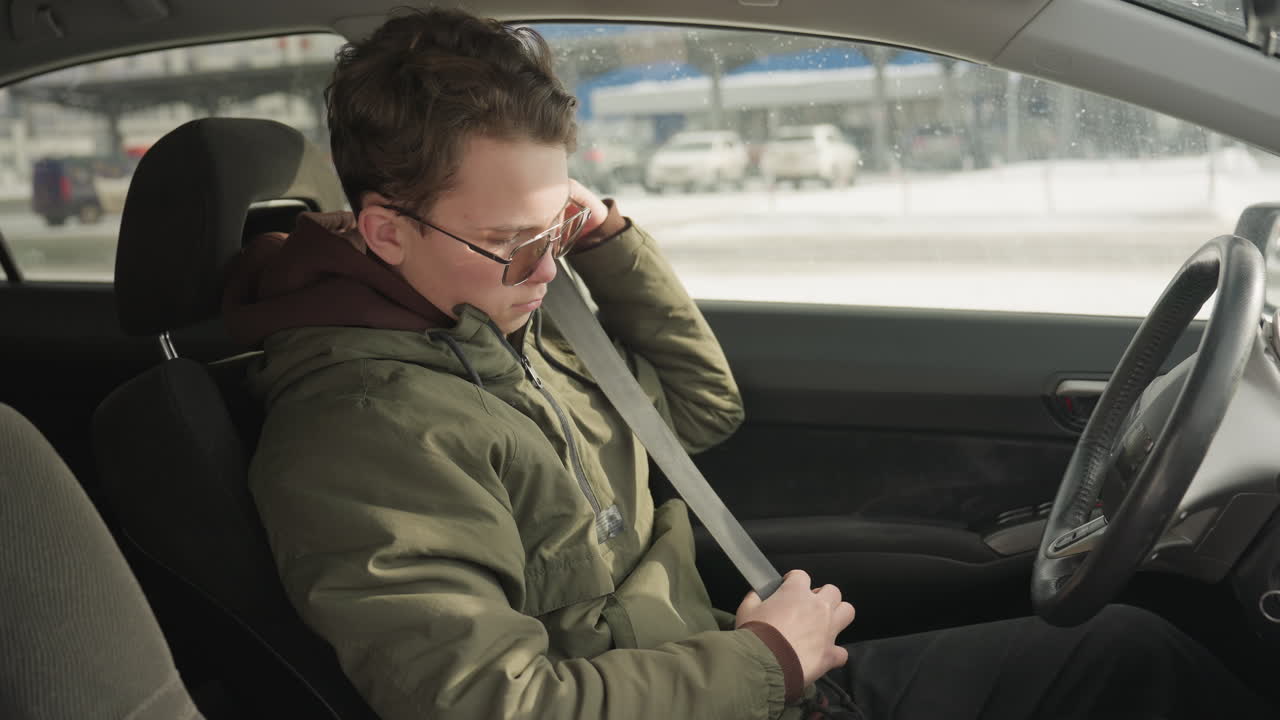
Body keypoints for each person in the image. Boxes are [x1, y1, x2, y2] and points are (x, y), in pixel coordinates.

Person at [223, 8, 1274, 719]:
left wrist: (606, 243)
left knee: (1134, 652)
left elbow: (699, 410)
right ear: (385, 230)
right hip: (727, 685)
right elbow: (496, 704)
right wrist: (762, 662)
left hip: (717, 676)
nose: (544, 266)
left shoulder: (492, 316)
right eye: (517, 240)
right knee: (1128, 664)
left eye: (560, 221)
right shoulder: (359, 428)